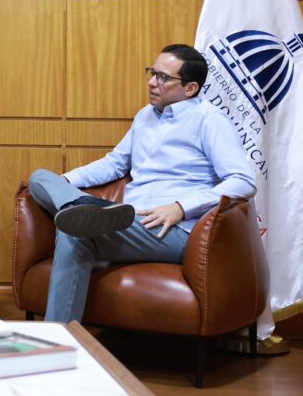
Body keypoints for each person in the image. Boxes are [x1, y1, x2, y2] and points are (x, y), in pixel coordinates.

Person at [28, 44, 256, 323]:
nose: (152, 82)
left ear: (190, 88)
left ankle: (59, 342)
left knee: (75, 230)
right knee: (40, 178)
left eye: (163, 77)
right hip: (126, 221)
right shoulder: (145, 116)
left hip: (167, 229)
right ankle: (81, 206)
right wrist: (64, 183)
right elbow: (114, 164)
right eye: (152, 72)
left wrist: (181, 207)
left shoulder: (209, 121)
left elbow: (243, 180)